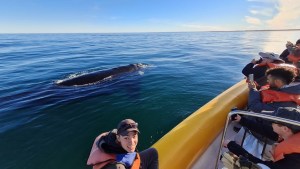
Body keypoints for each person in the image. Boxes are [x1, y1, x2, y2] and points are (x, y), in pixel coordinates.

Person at [223, 107, 300, 169]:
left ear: (285, 128)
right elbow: (263, 129)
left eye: (272, 122)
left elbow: (257, 165)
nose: (270, 124)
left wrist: (231, 145)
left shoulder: (293, 162)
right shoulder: (291, 133)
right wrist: (241, 120)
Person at [87, 119, 159, 169]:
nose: (132, 141)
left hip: (129, 164)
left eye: (134, 136)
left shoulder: (115, 143)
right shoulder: (117, 167)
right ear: (118, 138)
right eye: (126, 138)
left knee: (153, 152)